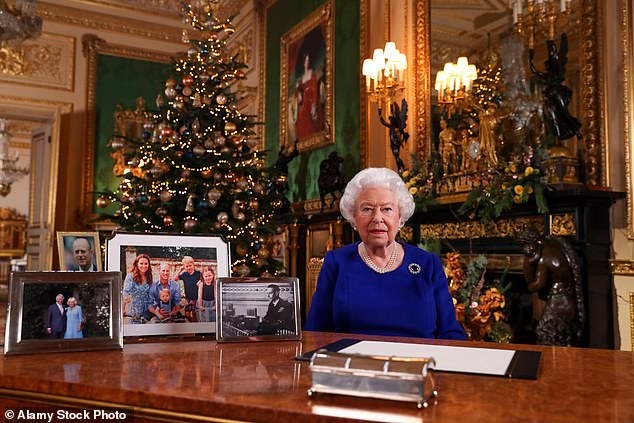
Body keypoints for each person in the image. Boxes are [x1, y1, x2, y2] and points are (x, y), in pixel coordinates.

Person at [304, 167, 466, 339]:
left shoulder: (428, 264)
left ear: (400, 216)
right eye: (367, 209)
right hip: (353, 362)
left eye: (387, 209)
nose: (377, 218)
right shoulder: (337, 262)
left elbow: (450, 332)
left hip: (418, 363)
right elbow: (315, 332)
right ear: (354, 217)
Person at [294, 52, 323, 140]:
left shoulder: (312, 74)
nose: (307, 62)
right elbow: (299, 92)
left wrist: (314, 105)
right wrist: (298, 91)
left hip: (311, 100)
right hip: (304, 100)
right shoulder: (302, 78)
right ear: (303, 63)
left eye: (308, 60)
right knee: (301, 115)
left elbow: (314, 89)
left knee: (308, 114)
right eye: (306, 60)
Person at [122, 254, 153, 323]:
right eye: (141, 263)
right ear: (137, 264)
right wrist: (123, 308)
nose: (144, 266)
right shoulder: (130, 276)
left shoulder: (149, 276)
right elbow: (126, 292)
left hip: (147, 311)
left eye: (146, 264)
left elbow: (151, 294)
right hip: (135, 310)